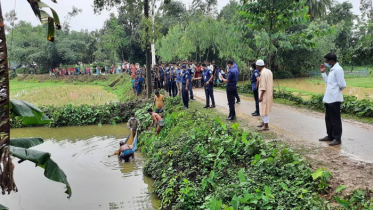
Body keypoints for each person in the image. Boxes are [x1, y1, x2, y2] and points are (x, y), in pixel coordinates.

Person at [319, 53, 346, 146]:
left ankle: (337, 138)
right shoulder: (332, 70)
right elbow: (329, 83)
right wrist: (323, 73)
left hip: (335, 99)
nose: (325, 63)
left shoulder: (338, 70)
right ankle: (330, 136)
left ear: (331, 61)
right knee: (328, 119)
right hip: (328, 99)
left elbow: (342, 85)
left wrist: (335, 91)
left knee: (335, 120)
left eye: (326, 61)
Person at [256, 59, 273, 131]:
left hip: (264, 94)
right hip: (269, 93)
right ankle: (263, 122)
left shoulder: (263, 74)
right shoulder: (269, 71)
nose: (256, 68)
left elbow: (263, 86)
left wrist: (261, 96)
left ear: (259, 66)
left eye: (257, 66)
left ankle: (266, 126)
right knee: (265, 109)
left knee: (264, 109)